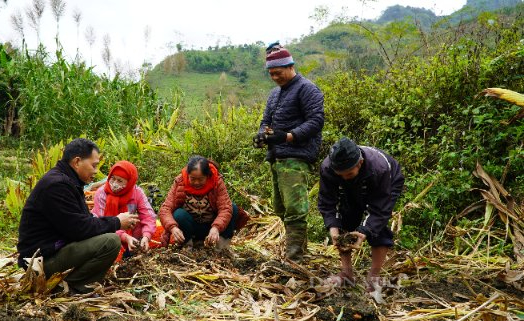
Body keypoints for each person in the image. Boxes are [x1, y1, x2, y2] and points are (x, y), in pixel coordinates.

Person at [17, 138, 138, 294]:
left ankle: (69, 283)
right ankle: (68, 287)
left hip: (53, 251)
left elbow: (83, 222)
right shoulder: (57, 185)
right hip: (40, 262)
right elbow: (80, 229)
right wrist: (116, 222)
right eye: (93, 165)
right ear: (77, 162)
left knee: (106, 235)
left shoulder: (68, 181)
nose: (96, 171)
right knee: (111, 241)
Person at [253, 42, 324, 261]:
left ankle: (296, 256)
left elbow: (316, 120)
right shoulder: (275, 94)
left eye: (278, 73)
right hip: (277, 157)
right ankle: (299, 250)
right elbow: (266, 121)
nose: (274, 77)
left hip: (296, 157)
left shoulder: (307, 88)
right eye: (271, 74)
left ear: (290, 66)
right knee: (281, 208)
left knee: (295, 207)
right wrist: (261, 135)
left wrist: (288, 136)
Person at [317, 137, 404, 291]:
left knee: (378, 226)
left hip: (388, 180)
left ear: (360, 162)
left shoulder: (379, 168)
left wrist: (364, 231)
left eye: (348, 173)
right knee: (345, 218)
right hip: (355, 182)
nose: (343, 177)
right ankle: (347, 273)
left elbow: (379, 209)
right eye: (340, 174)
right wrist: (334, 228)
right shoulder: (328, 168)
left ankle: (374, 277)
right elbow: (328, 202)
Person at [159, 156, 248, 251]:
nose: (196, 183)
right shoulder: (180, 182)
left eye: (201, 179)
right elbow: (165, 209)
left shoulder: (216, 181)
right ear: (187, 175)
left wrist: (216, 228)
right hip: (191, 227)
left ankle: (222, 247)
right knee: (179, 214)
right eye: (192, 179)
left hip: (212, 228)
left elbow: (225, 208)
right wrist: (173, 228)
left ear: (208, 176)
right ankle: (188, 245)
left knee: (232, 208)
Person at [92, 160, 157, 254]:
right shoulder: (102, 193)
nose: (114, 183)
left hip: (130, 230)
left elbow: (148, 216)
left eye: (120, 181)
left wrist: (146, 236)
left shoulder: (137, 193)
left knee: (142, 226)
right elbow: (102, 223)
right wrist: (124, 237)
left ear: (129, 182)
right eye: (113, 178)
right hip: (107, 232)